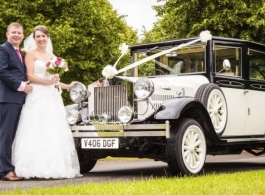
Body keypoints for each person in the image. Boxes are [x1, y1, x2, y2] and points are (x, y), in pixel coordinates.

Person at [12, 25, 82, 179]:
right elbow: (30, 76)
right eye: (38, 36)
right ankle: (31, 167)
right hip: (37, 95)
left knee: (53, 130)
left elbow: (54, 80)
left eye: (43, 36)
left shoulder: (53, 57)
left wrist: (67, 86)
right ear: (34, 38)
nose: (41, 39)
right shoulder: (30, 54)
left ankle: (54, 167)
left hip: (52, 97)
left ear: (47, 37)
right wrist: (48, 82)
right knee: (35, 128)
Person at [0, 22, 33, 181]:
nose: (16, 35)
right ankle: (5, 170)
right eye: (13, 32)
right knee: (5, 136)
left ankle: (8, 167)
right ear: (7, 34)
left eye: (19, 33)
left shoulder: (19, 52)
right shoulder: (3, 49)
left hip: (18, 99)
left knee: (12, 135)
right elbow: (2, 71)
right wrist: (21, 86)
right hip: (8, 98)